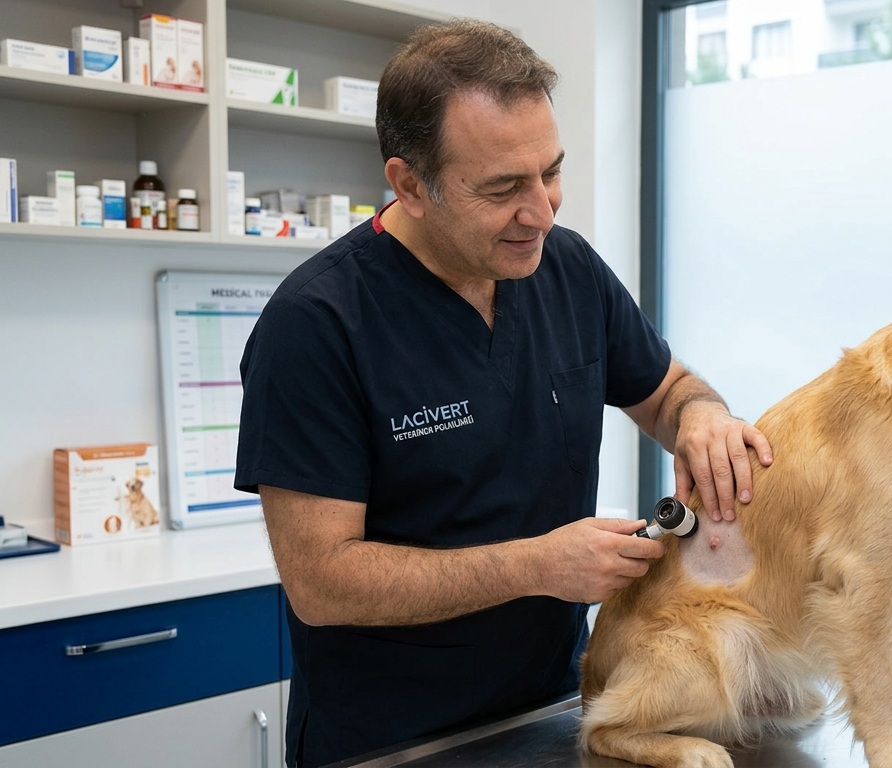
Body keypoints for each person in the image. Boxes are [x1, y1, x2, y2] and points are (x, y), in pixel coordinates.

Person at [233, 20, 772, 767]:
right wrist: (536, 566)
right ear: (409, 185)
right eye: (503, 188)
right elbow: (321, 581)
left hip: (556, 708)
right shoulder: (317, 326)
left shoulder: (567, 268)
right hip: (394, 741)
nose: (542, 211)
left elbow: (667, 388)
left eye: (549, 171)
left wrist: (704, 416)